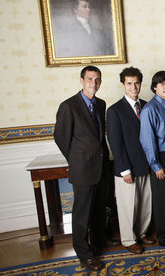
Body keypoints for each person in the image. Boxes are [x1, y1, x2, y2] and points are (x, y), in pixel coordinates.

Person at [54, 66, 120, 272]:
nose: (94, 83)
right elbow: (61, 138)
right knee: (82, 213)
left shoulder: (100, 104)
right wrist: (77, 160)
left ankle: (100, 240)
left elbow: (99, 137)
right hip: (82, 168)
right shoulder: (68, 106)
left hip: (101, 166)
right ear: (81, 80)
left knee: (99, 208)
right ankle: (84, 253)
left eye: (98, 79)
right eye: (90, 79)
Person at [106, 67, 154, 255]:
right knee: (127, 206)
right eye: (129, 83)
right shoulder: (115, 110)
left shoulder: (147, 105)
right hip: (127, 167)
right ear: (123, 85)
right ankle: (128, 239)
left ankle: (141, 233)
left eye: (136, 83)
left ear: (141, 84)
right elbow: (115, 143)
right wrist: (125, 169)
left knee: (144, 204)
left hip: (145, 164)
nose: (133, 87)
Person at [139, 71, 165, 251]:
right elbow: (147, 141)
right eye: (162, 83)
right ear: (155, 87)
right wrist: (156, 165)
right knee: (162, 199)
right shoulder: (149, 109)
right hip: (160, 157)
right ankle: (164, 237)